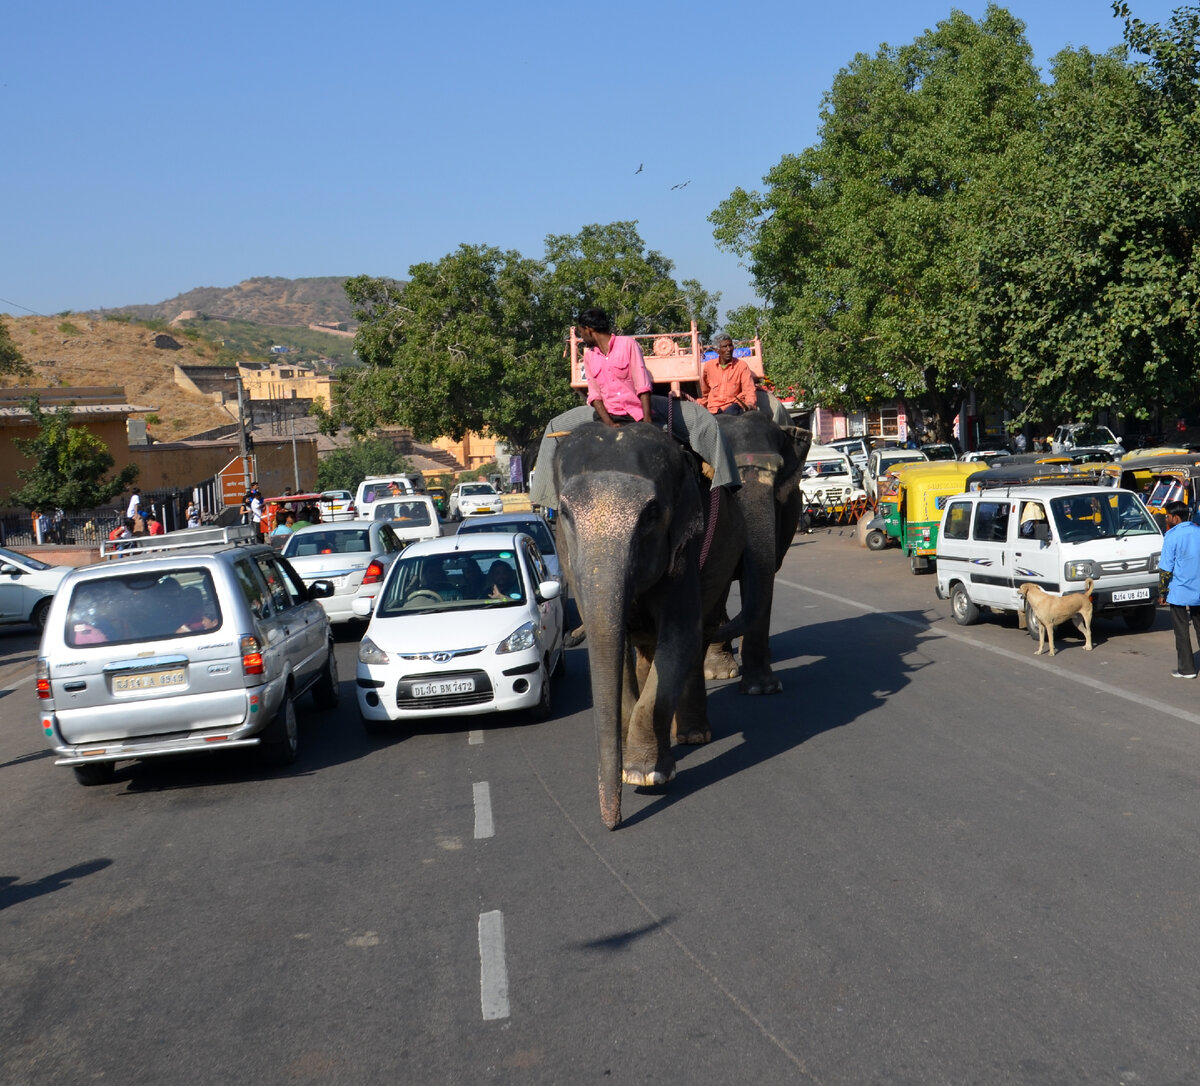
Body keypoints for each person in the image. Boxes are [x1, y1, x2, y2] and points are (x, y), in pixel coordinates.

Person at [578, 307, 653, 427]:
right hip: (607, 418)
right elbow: (594, 395)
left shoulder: (628, 344)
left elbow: (642, 385)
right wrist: (610, 424)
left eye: (581, 332)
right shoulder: (589, 357)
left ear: (588, 330)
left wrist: (647, 422)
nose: (582, 337)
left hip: (633, 416)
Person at [1160, 500, 1200, 678]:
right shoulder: (1198, 531)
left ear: (1176, 518)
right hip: (1198, 588)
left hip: (1179, 590)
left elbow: (1166, 568)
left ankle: (1187, 669)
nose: (1166, 519)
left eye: (1167, 516)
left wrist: (1162, 592)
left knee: (1182, 631)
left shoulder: (1171, 536)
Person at [699, 334, 757, 416]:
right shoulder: (709, 366)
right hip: (714, 408)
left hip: (733, 406)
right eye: (724, 346)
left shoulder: (741, 366)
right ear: (717, 350)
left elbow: (749, 389)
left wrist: (750, 404)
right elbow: (705, 391)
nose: (729, 349)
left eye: (730, 346)